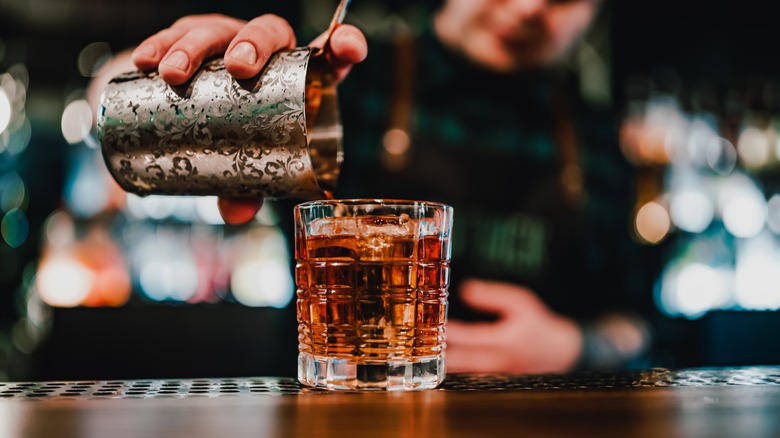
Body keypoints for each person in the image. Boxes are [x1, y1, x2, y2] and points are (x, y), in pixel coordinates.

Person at [125, 0, 655, 374]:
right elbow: (107, 90)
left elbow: (643, 319)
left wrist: (575, 348)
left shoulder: (595, 133)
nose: (529, 6)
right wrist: (229, 93)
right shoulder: (348, 81)